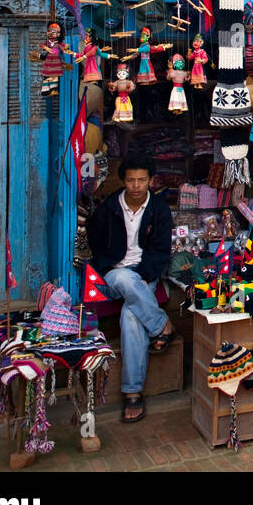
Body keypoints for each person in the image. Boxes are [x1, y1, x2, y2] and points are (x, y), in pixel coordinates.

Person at [87, 151, 175, 423]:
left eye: (141, 180)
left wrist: (144, 274)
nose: (136, 186)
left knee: (130, 315)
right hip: (114, 275)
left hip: (144, 275)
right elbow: (95, 242)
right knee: (124, 279)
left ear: (151, 180)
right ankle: (161, 324)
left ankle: (132, 393)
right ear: (122, 181)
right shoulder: (108, 209)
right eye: (130, 180)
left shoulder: (159, 210)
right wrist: (108, 267)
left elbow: (161, 252)